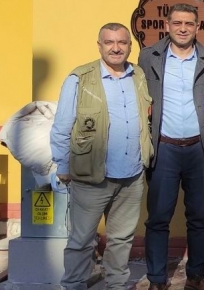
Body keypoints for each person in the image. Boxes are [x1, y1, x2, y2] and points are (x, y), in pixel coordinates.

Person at [51, 23, 152, 290]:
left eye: (122, 42)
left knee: (122, 239)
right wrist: (62, 165)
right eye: (109, 42)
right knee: (81, 241)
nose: (116, 48)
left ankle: (116, 285)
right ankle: (73, 285)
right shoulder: (79, 78)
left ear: (130, 46)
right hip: (91, 176)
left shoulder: (138, 75)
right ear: (99, 46)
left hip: (131, 175)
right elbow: (62, 126)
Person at [138, 4, 204, 290]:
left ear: (198, 27)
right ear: (167, 25)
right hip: (165, 148)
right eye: (177, 23)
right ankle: (157, 280)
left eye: (189, 23)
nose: (183, 28)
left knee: (199, 217)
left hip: (200, 148)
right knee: (158, 217)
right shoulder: (149, 56)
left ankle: (195, 277)